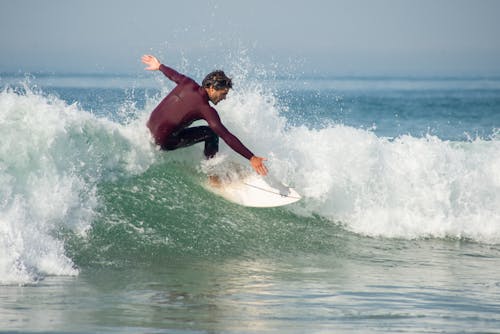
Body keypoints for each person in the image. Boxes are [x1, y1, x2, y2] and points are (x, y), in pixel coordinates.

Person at [142, 54, 268, 176]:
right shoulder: (206, 109)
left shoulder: (187, 83)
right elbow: (226, 135)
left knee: (181, 122)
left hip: (149, 130)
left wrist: (159, 66)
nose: (224, 98)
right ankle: (212, 172)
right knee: (212, 134)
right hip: (163, 142)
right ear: (212, 88)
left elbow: (173, 75)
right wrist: (251, 157)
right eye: (223, 94)